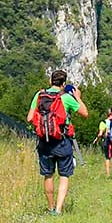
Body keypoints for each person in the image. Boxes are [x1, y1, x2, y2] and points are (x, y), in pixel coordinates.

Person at [27, 70, 88, 215]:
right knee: (64, 175)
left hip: (44, 141)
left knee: (48, 175)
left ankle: (50, 207)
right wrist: (78, 97)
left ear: (50, 81)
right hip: (62, 141)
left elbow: (30, 118)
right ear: (63, 83)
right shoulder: (66, 98)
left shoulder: (39, 95)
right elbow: (85, 113)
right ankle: (59, 210)